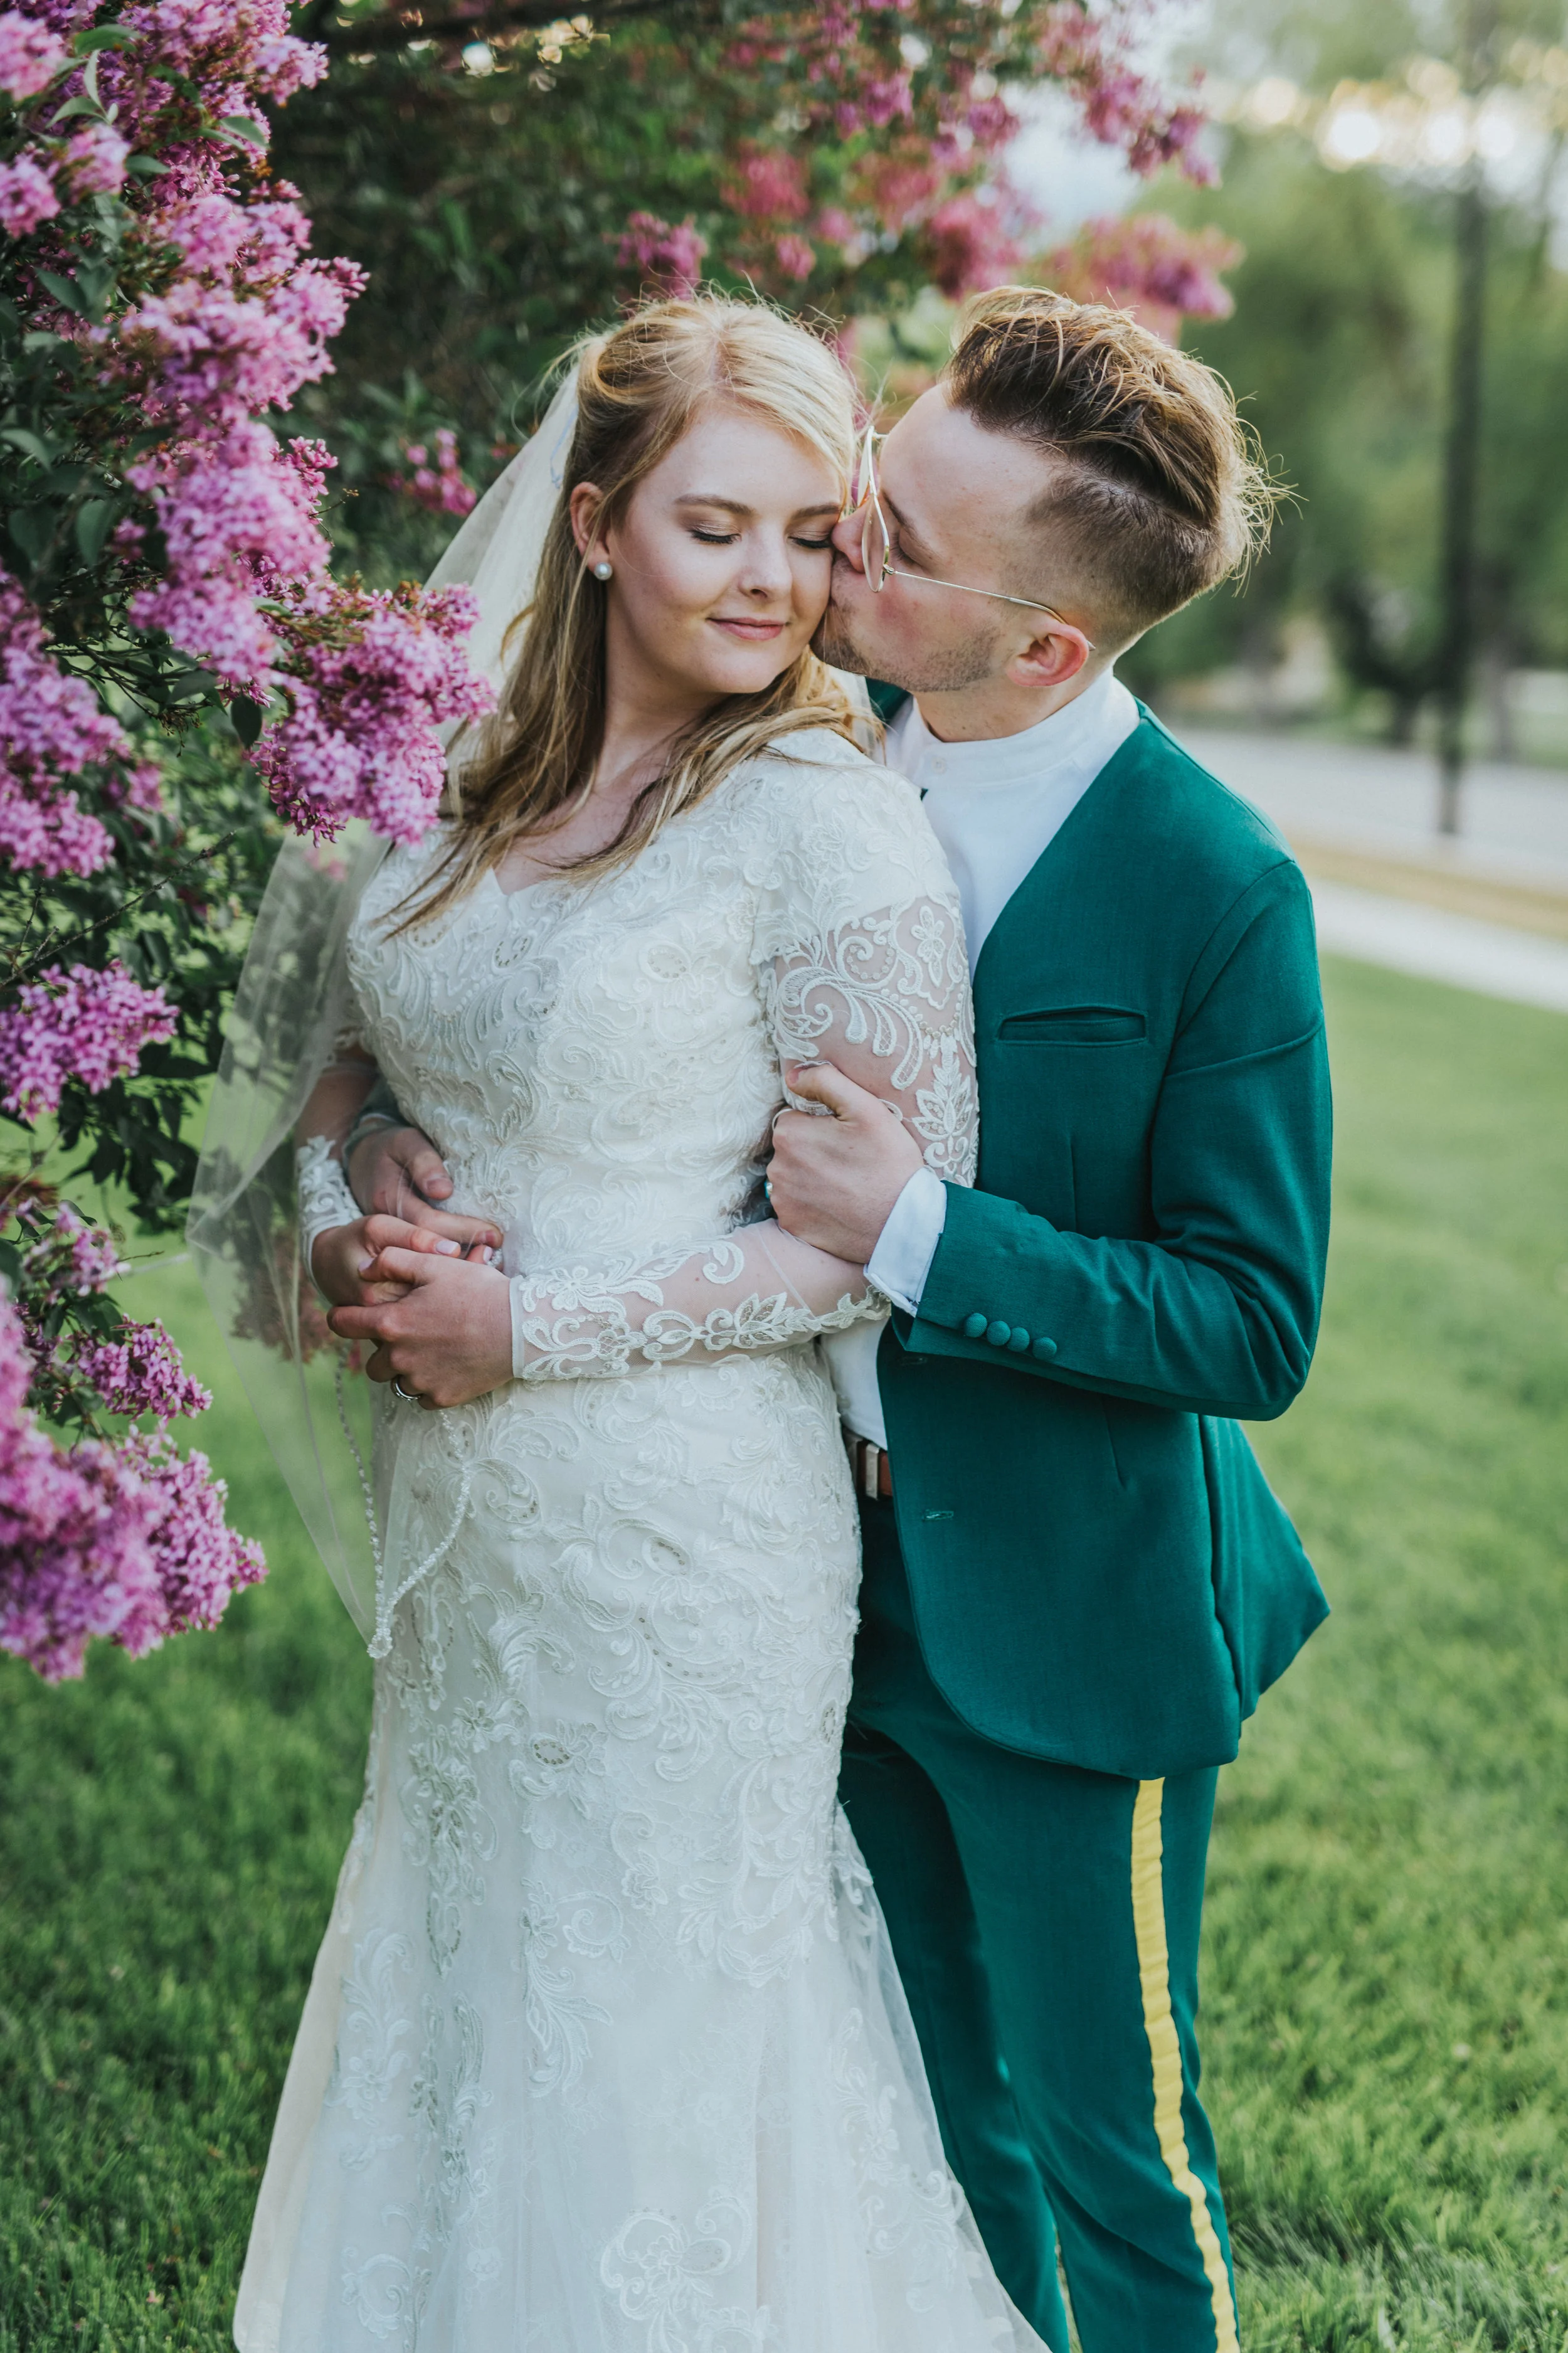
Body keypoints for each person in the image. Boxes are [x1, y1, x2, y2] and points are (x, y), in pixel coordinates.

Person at [352, 287, 1333, 2353]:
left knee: (1111, 2147)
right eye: (857, 491)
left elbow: (1251, 1320)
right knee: (929, 2123)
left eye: (880, 540)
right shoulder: (789, 746)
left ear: (1038, 645)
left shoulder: (1213, 885)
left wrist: (921, 1230)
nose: (829, 548)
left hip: (1061, 1616)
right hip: (792, 1583)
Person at [209, 295, 1054, 2353]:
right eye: (713, 524)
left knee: (655, 2010)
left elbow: (869, 1240)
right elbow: (346, 1067)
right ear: (592, 526)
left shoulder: (823, 822)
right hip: (467, 1534)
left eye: (809, 533)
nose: (770, 579)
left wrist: (526, 1328)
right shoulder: (463, 768)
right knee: (471, 1969)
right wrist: (347, 1199)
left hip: (681, 1536)